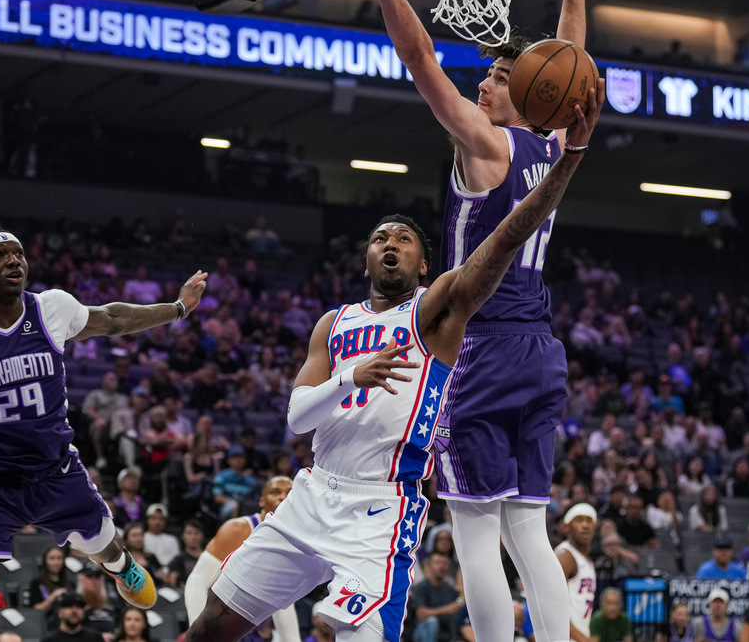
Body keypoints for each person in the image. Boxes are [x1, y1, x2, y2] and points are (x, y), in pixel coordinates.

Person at [188, 80, 603, 642]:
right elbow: (296, 419)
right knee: (211, 625)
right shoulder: (332, 325)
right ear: (364, 260)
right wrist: (348, 378)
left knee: (366, 624)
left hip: (381, 507)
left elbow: (503, 242)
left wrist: (570, 159)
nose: (390, 242)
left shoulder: (434, 313)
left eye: (404, 238)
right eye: (380, 237)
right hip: (314, 490)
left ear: (425, 264)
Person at [357, 0, 594, 638]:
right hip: (541, 350)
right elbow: (570, 60)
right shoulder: (552, 146)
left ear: (526, 89)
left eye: (495, 76)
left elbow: (418, 56)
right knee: (528, 527)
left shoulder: (485, 143)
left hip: (479, 348)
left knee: (474, 528)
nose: (483, 82)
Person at [0, 227, 209, 642]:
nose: (14, 260)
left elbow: (114, 317)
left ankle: (120, 566)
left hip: (58, 475)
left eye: (18, 252)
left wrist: (178, 308)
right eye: (0, 255)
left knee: (109, 551)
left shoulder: (52, 308)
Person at [184, 477, 298, 642]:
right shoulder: (237, 529)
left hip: (256, 631)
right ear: (261, 501)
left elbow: (284, 603)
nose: (283, 497)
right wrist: (198, 633)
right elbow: (197, 580)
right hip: (217, 624)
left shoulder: (294, 542)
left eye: (289, 493)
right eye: (275, 492)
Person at [556, 504, 598, 642]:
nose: (585, 525)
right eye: (579, 520)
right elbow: (551, 605)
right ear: (567, 526)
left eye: (589, 520)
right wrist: (583, 639)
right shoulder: (565, 556)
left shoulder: (587, 561)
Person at [409, 553, 462, 642]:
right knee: (432, 622)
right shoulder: (421, 587)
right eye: (437, 563)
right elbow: (420, 614)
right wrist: (446, 609)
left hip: (444, 631)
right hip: (420, 630)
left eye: (444, 563)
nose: (441, 566)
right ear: (429, 566)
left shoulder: (450, 589)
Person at [142, 504, 179, 569]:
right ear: (148, 520)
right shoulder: (142, 538)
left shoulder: (172, 540)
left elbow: (176, 560)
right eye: (154, 518)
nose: (157, 522)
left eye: (161, 519)